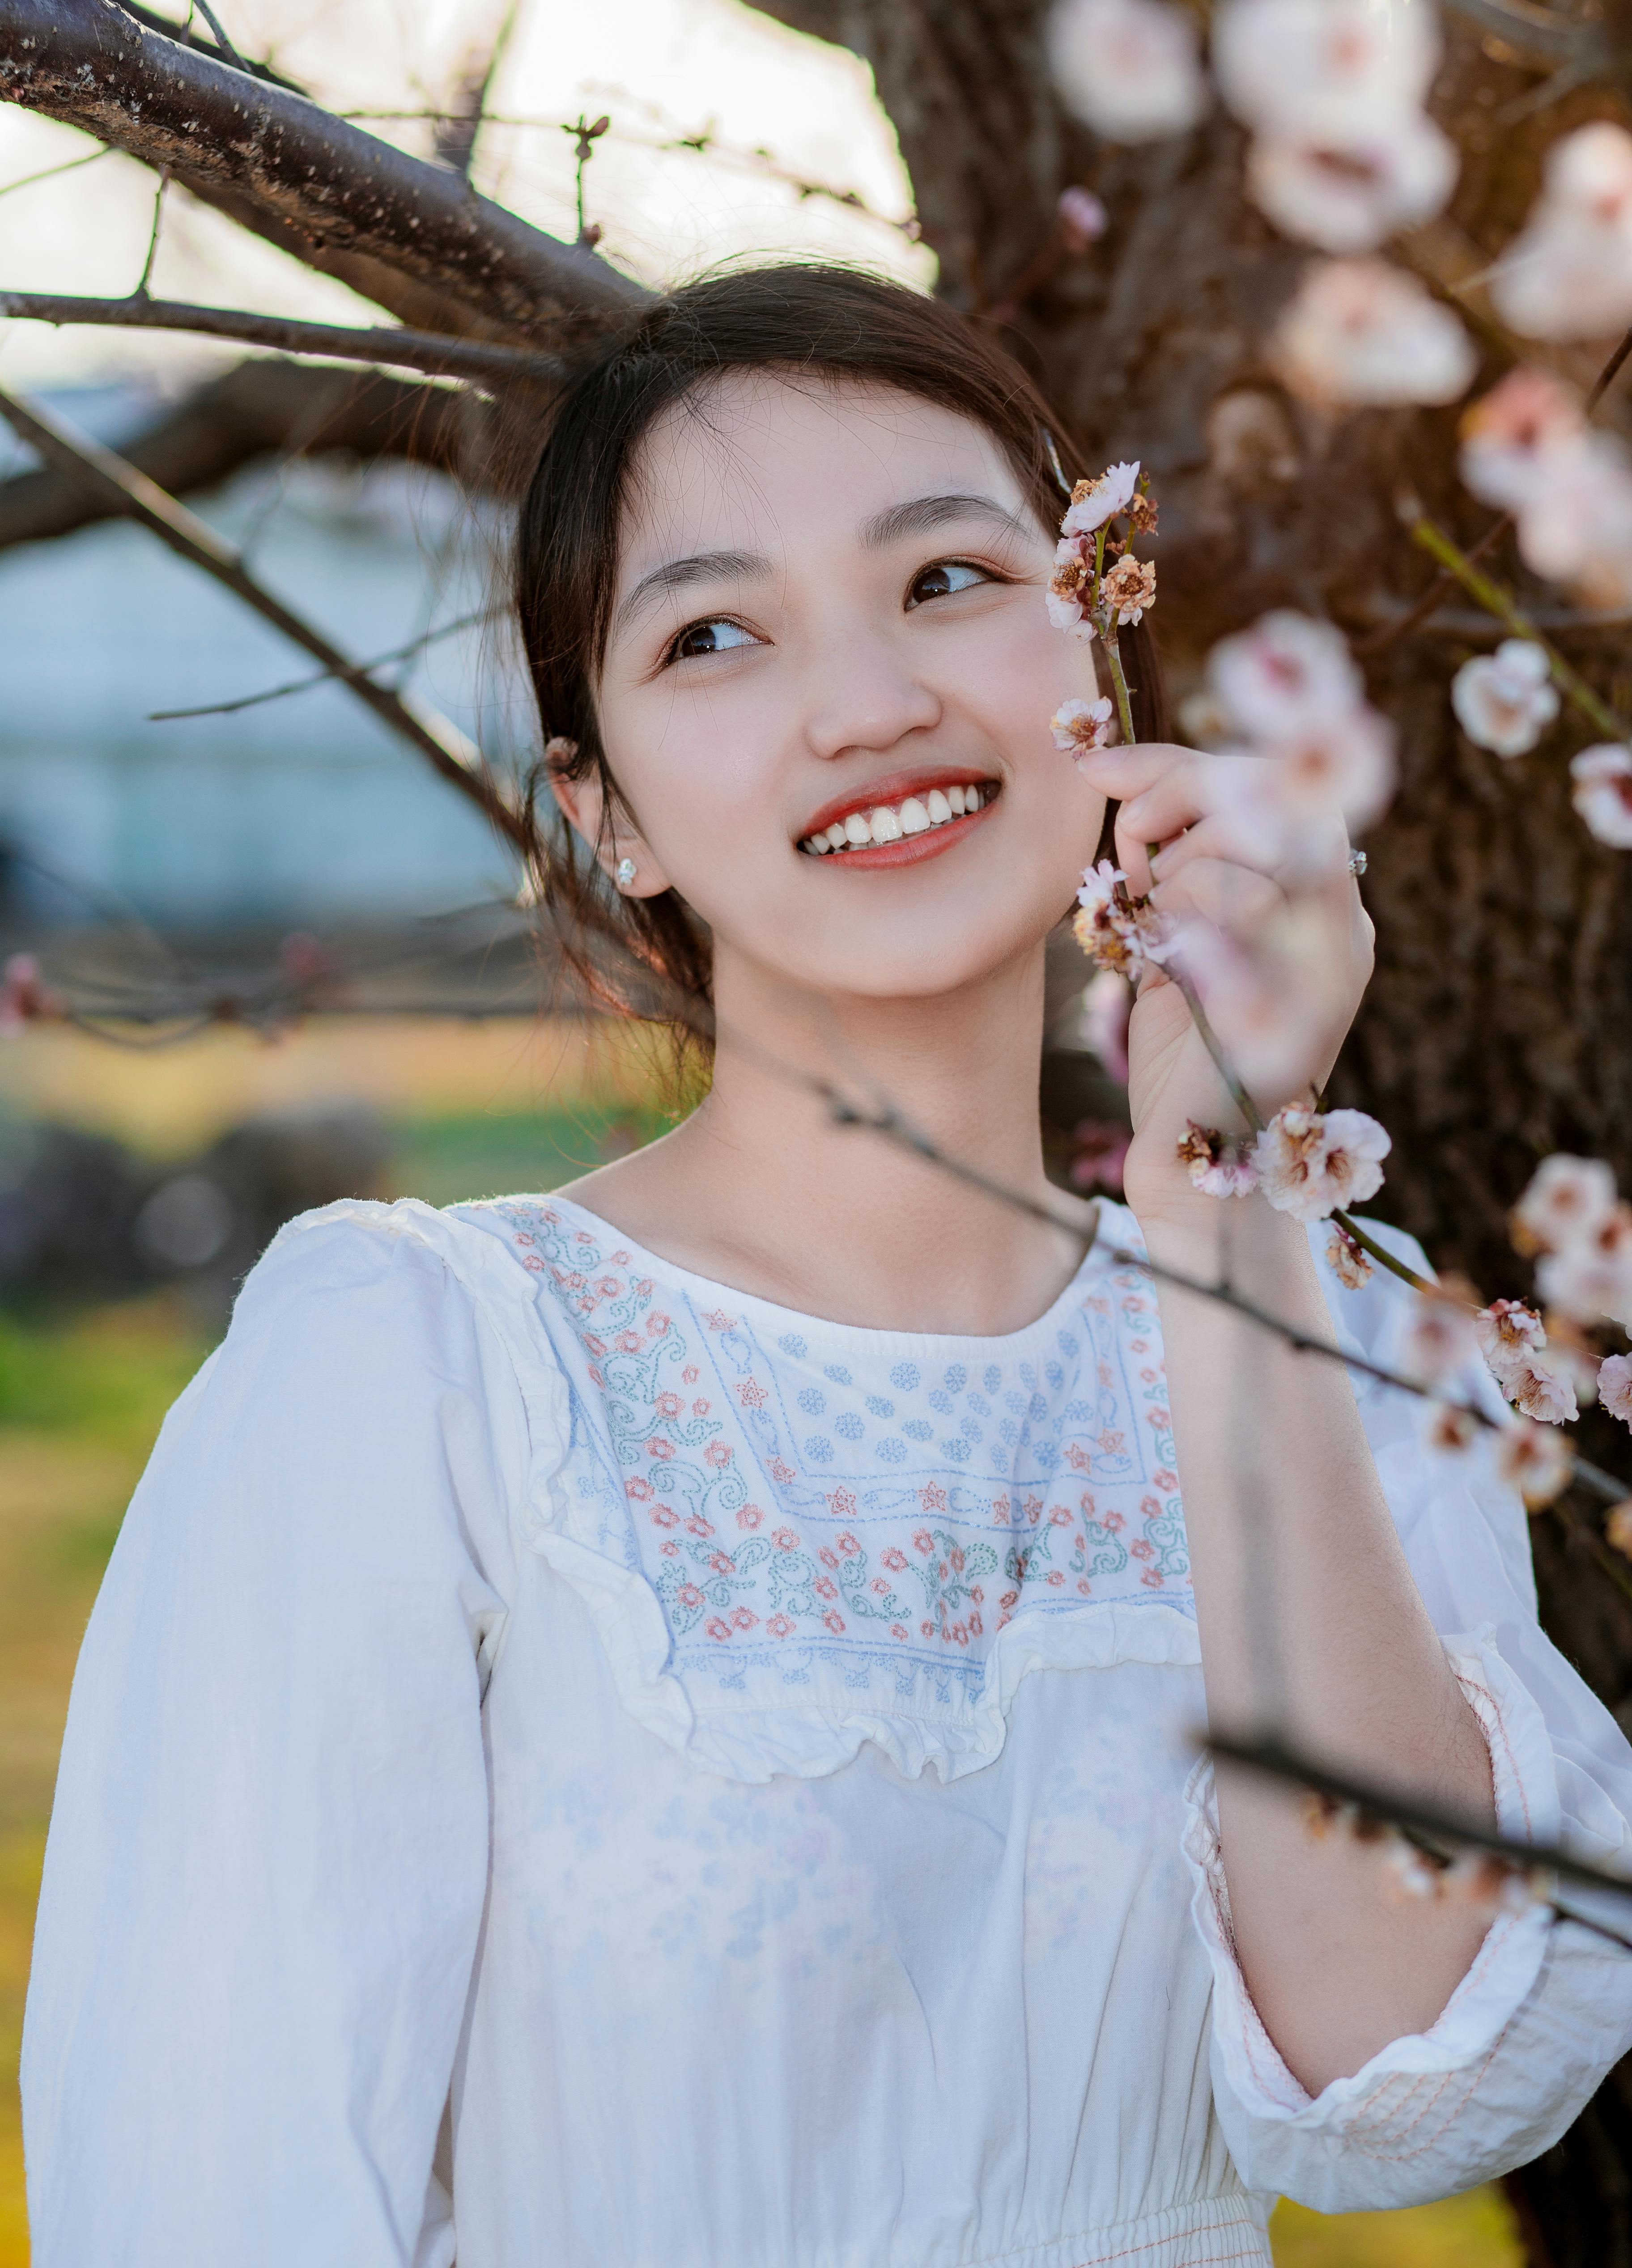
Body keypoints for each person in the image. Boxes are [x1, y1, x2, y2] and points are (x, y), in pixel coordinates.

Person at [22, 265, 1632, 2268]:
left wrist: (1227, 1194)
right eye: (715, 634)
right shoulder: (418, 1377)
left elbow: (1407, 2066)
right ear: (605, 815)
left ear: (1100, 649)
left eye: (948, 580)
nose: (869, 704)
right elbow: (204, 2198)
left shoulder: (1337, 1340)